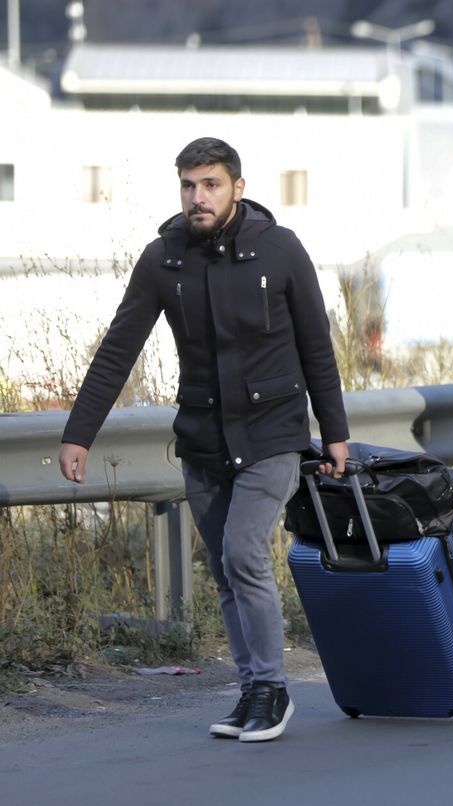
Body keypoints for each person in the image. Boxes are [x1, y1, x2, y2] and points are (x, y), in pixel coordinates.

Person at [58, 137, 349, 742]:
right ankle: (250, 690)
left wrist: (336, 434)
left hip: (273, 432)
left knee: (244, 552)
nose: (198, 197)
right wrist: (78, 434)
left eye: (210, 184)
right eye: (189, 186)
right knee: (223, 567)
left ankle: (272, 688)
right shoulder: (163, 259)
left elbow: (317, 347)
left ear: (237, 188)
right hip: (203, 437)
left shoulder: (280, 249)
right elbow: (118, 350)